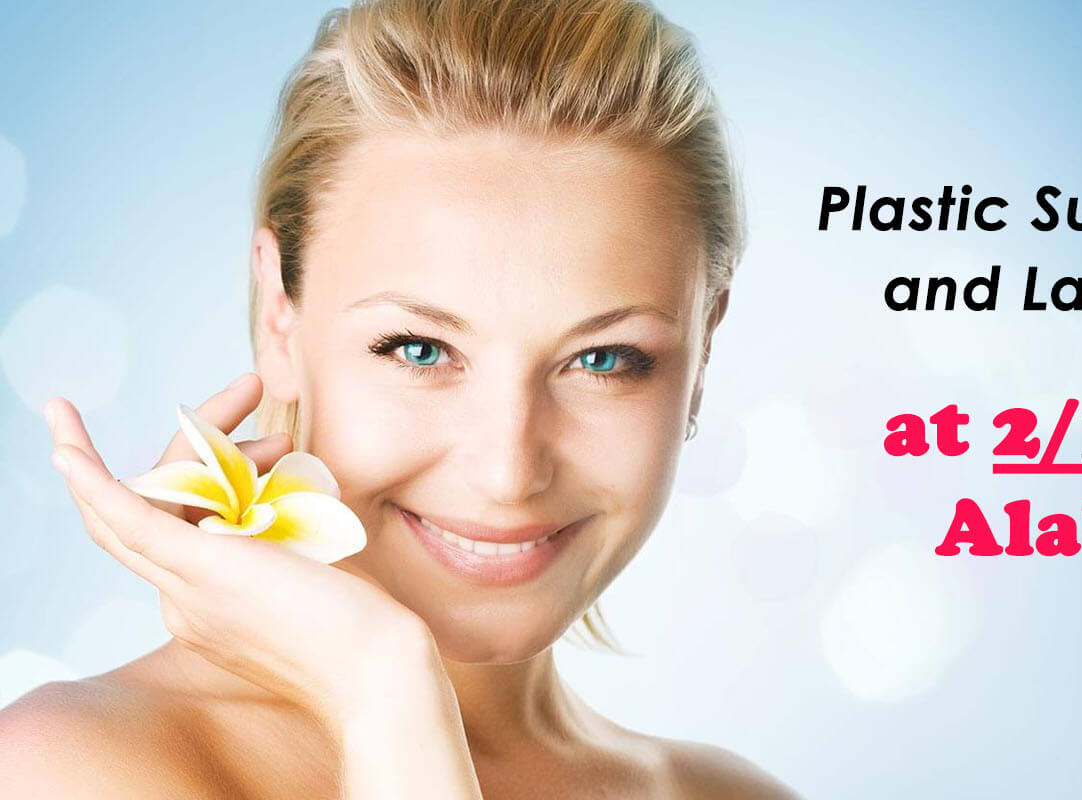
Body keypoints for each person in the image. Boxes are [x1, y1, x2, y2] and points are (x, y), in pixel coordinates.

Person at [0, 0, 798, 797]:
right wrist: (379, 680)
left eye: (603, 358)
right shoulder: (68, 767)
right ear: (281, 316)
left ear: (703, 349)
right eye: (419, 351)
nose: (507, 471)